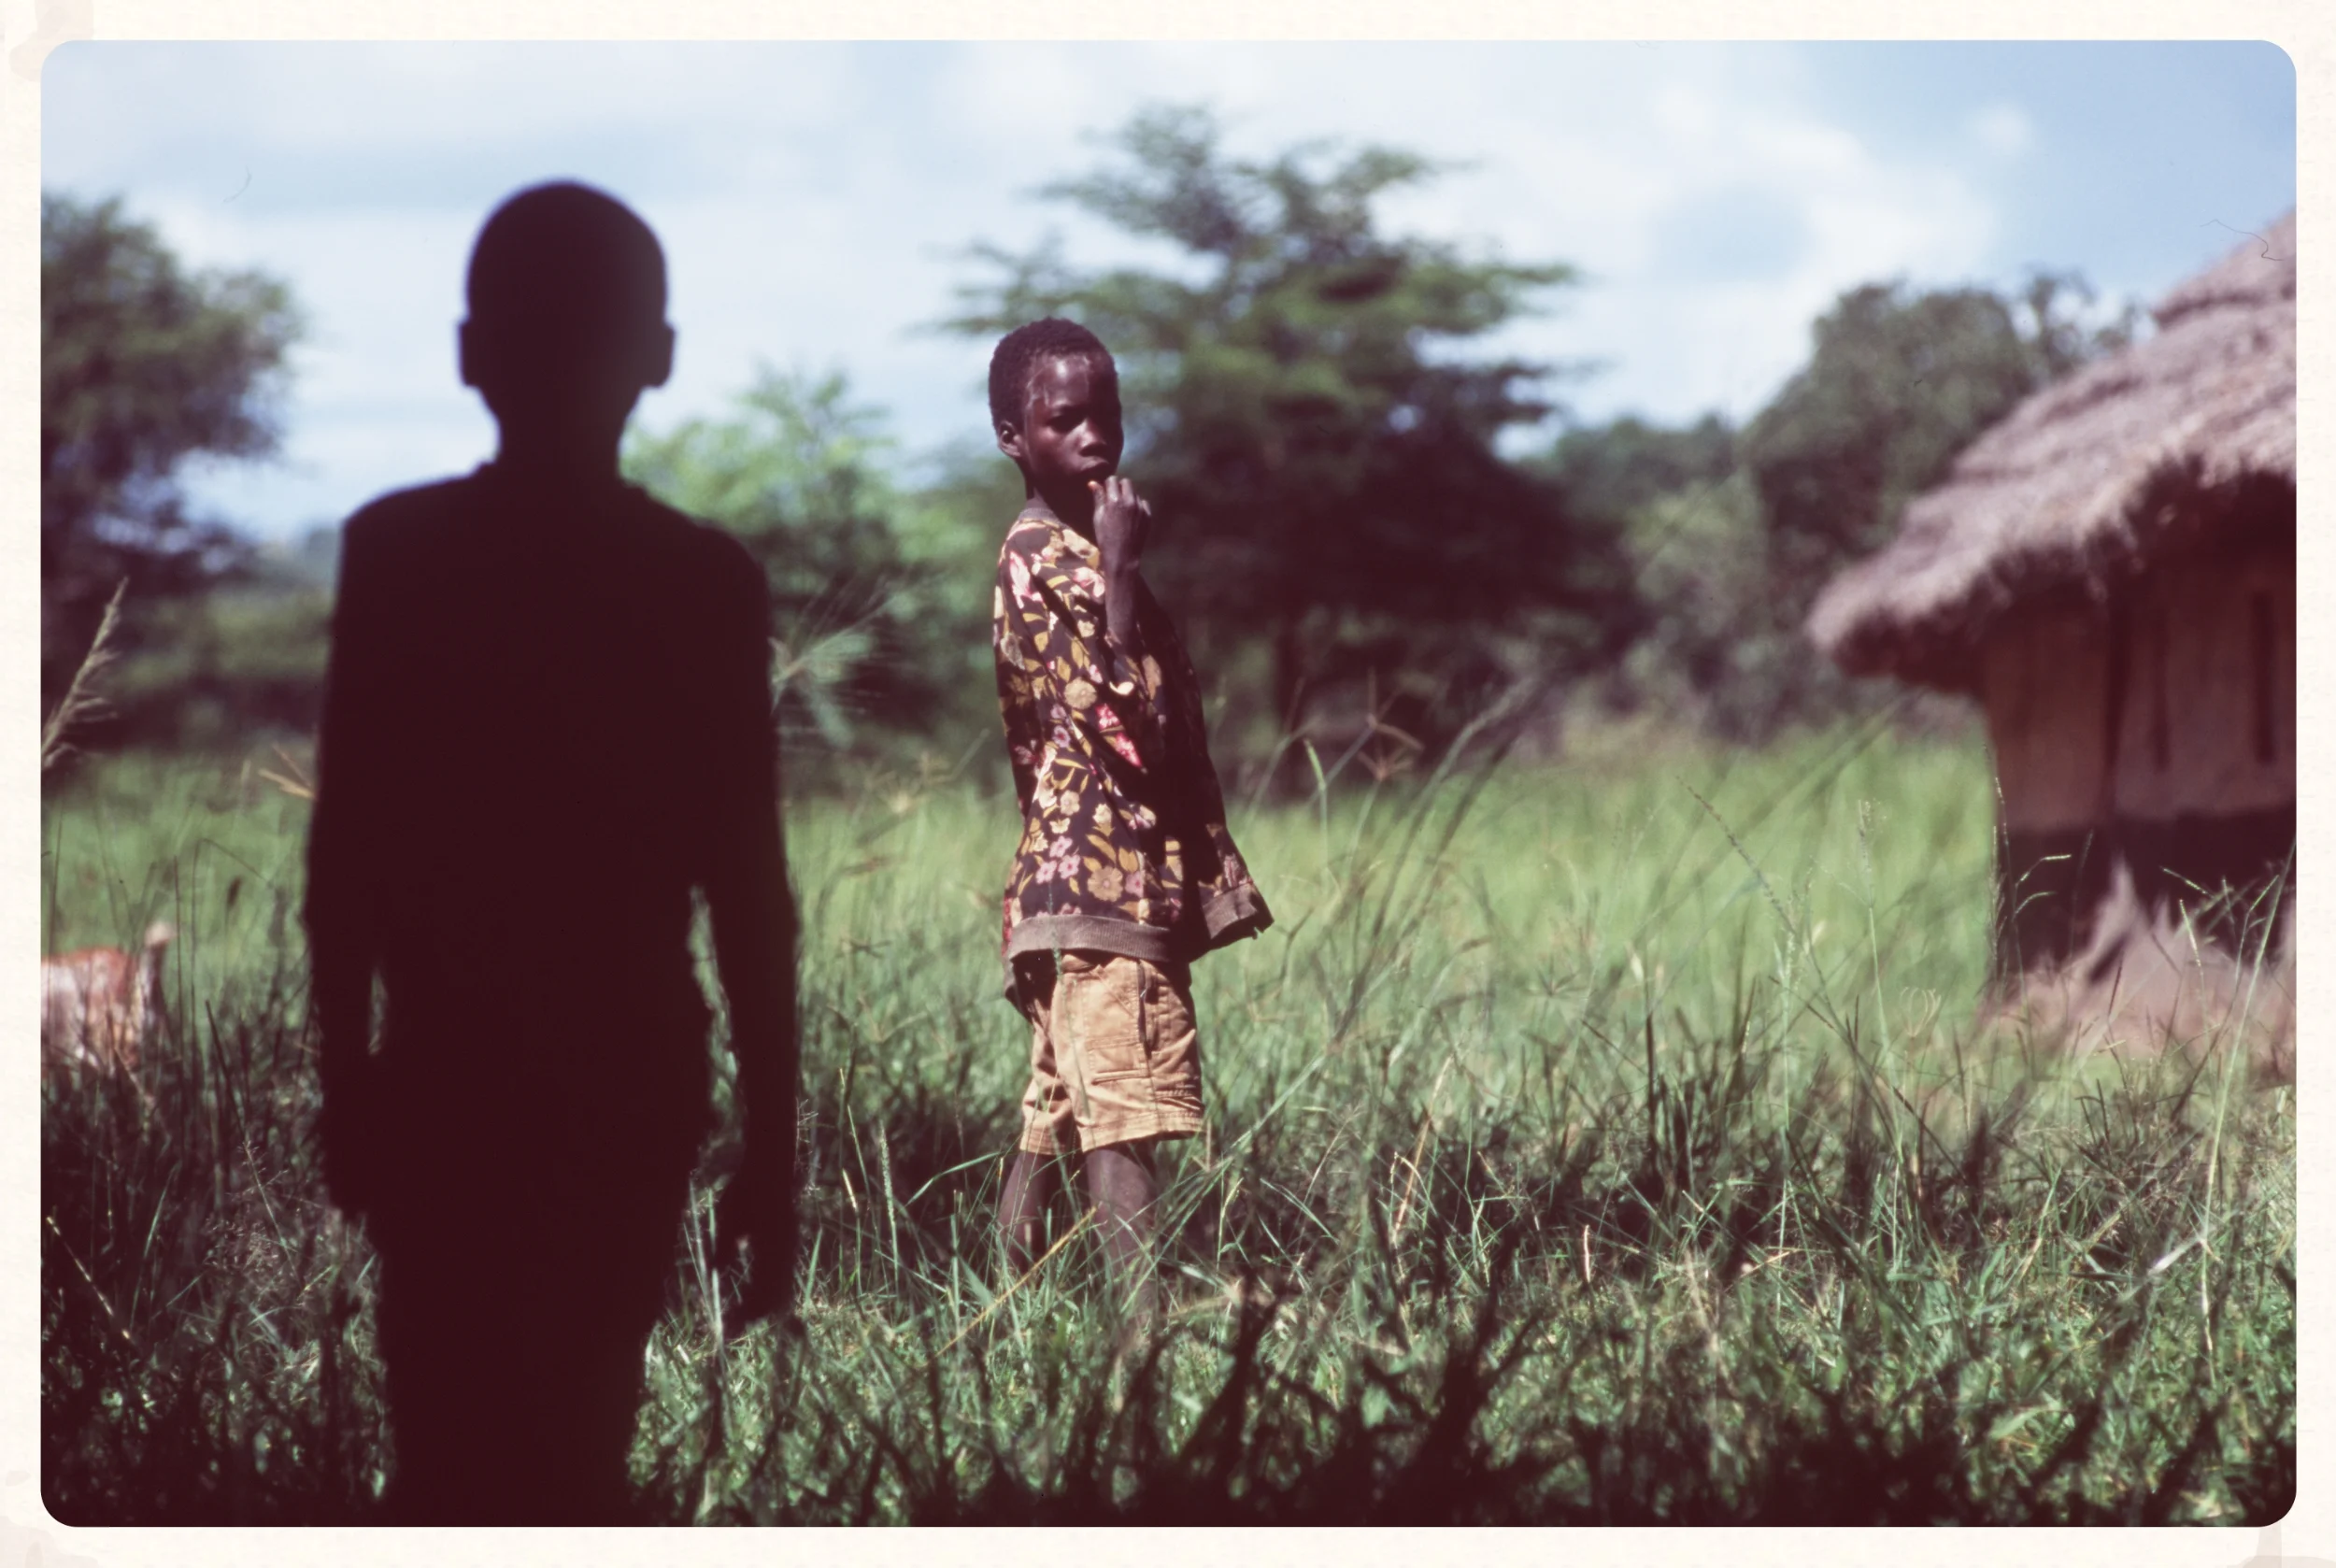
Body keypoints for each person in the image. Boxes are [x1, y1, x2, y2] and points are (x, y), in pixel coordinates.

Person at [303, 181, 798, 1524]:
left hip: (443, 1078)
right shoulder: (704, 582)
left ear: (472, 354)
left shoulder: (397, 554)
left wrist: (348, 1078)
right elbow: (751, 892)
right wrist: (776, 1145)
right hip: (626, 1078)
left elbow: (343, 858)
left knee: (448, 1453)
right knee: (579, 1445)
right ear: (661, 358)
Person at [986, 318, 1271, 1323]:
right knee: (1124, 1127)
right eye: (1063, 420)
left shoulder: (1064, 549)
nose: (1094, 437)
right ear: (1013, 438)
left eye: (1105, 414)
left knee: (1056, 1120)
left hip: (1067, 895)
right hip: (1102, 893)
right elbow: (1126, 726)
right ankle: (1139, 1364)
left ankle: (1000, 1333)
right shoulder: (1058, 562)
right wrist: (1114, 572)